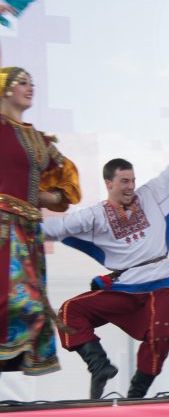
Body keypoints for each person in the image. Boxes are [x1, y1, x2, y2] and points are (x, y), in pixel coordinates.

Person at [42, 108, 169, 399]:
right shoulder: (96, 215)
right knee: (70, 311)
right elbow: (59, 227)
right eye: (124, 181)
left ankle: (136, 394)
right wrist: (20, 222)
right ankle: (99, 366)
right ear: (109, 183)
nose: (130, 187)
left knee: (163, 334)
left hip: (160, 280)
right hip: (126, 286)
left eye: (132, 180)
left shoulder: (151, 195)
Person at [0, 67, 81, 376]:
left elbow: (67, 180)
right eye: (22, 82)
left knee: (29, 307)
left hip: (28, 232)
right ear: (5, 88)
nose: (30, 87)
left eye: (32, 83)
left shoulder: (39, 140)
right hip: (3, 228)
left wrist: (43, 196)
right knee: (16, 302)